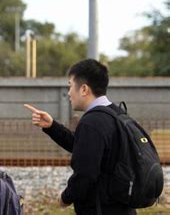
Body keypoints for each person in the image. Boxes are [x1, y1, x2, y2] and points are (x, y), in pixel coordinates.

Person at [24, 59, 136, 215]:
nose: (68, 92)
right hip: (122, 207)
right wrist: (52, 127)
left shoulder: (92, 122)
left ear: (83, 89)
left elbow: (85, 174)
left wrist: (65, 198)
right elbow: (85, 148)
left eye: (70, 85)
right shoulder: (118, 114)